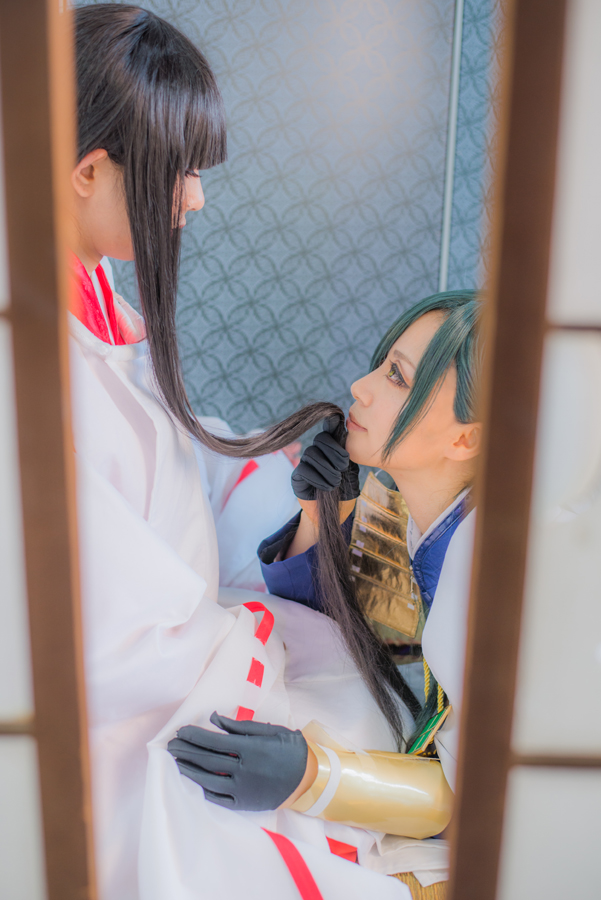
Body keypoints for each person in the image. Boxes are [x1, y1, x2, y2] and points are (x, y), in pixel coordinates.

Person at [68, 5, 416, 900]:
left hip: (183, 633)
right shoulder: (34, 359)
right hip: (118, 710)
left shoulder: (92, 295)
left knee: (348, 697)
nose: (194, 198)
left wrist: (302, 501)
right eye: (178, 172)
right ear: (87, 172)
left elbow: (173, 460)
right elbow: (99, 631)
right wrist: (238, 638)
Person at [169, 291, 482, 894]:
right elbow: (344, 626)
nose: (361, 387)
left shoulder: (493, 581)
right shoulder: (429, 516)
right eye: (384, 365)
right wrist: (322, 520)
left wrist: (310, 776)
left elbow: (478, 794)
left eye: (397, 377)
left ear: (465, 440)